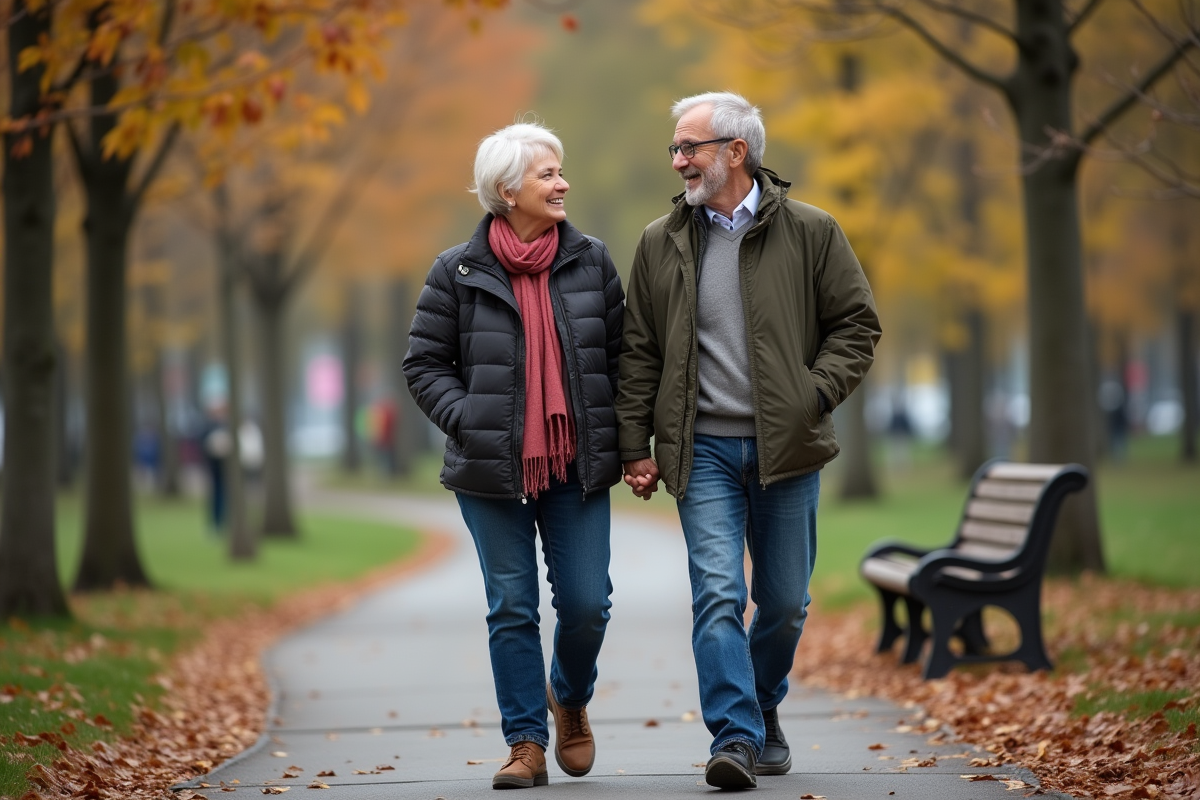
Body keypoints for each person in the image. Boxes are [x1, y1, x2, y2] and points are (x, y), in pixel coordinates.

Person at [616, 92, 881, 789]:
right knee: (717, 592)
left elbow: (856, 326)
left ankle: (762, 706)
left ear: (737, 152)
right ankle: (734, 736)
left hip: (786, 447)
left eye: (689, 148)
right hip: (700, 448)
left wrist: (812, 396)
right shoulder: (659, 241)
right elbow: (639, 349)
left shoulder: (813, 231)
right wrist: (633, 444)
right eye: (674, 149)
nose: (678, 161)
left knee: (786, 601)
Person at [403, 122, 624, 790]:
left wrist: (632, 445)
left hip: (575, 464)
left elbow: (624, 358)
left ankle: (570, 695)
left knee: (587, 605)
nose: (562, 184)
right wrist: (469, 418)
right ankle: (526, 741)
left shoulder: (592, 260)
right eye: (547, 174)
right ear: (507, 190)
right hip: (489, 469)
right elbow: (424, 363)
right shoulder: (456, 270)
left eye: (560, 172)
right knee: (512, 606)